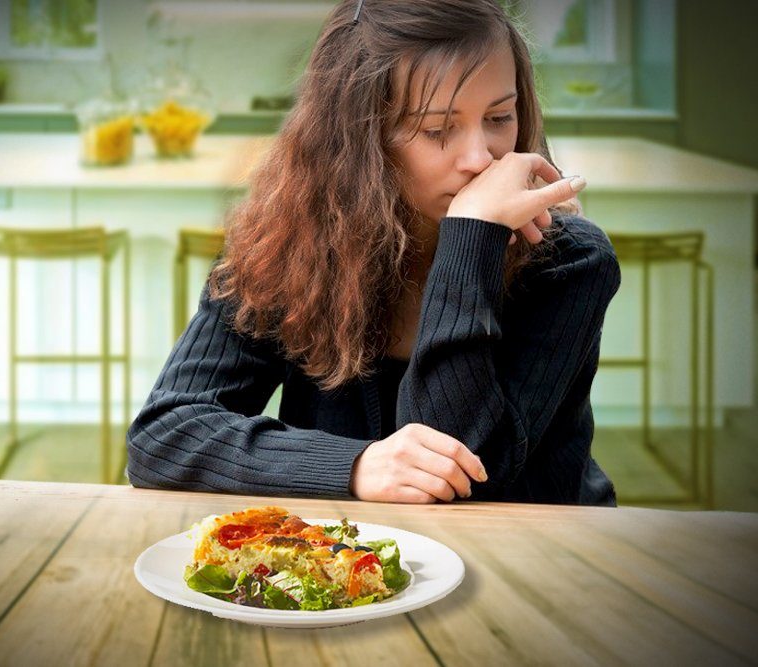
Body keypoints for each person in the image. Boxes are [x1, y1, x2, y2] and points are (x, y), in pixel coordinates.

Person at [126, 0, 621, 505]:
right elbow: (163, 437)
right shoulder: (287, 245)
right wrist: (355, 466)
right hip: (355, 564)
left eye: (499, 117)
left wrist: (471, 237)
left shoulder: (569, 261)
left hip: (538, 558)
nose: (480, 158)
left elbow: (460, 479)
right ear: (361, 137)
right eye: (437, 129)